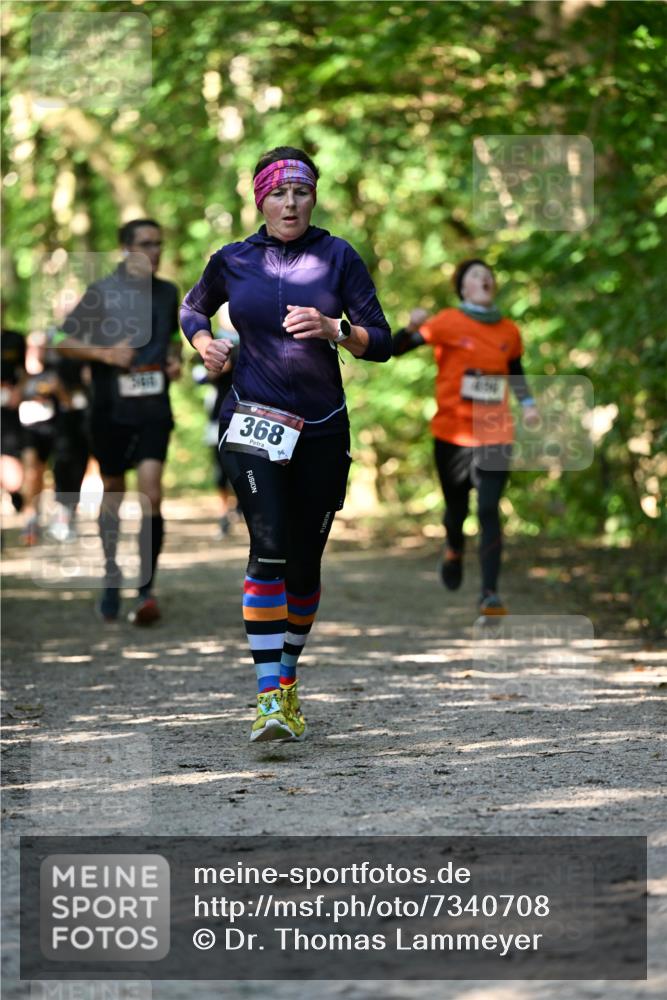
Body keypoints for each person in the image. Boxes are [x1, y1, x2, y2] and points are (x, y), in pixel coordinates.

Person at [180, 146, 391, 743]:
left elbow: (384, 339)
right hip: (252, 420)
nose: (290, 203)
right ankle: (268, 697)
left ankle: (289, 677)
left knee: (303, 566)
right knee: (268, 548)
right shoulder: (232, 260)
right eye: (278, 192)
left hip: (322, 426)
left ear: (314, 197)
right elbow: (192, 309)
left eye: (301, 191)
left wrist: (337, 330)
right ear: (260, 199)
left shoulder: (338, 256)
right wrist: (204, 345)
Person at [392, 259, 538, 617]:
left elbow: (515, 371)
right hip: (452, 434)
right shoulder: (446, 322)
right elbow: (398, 348)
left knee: (488, 510)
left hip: (496, 432)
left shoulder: (509, 330)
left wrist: (529, 404)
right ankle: (454, 547)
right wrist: (410, 326)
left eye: (487, 275)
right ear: (463, 288)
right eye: (475, 275)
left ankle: (490, 593)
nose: (484, 278)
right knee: (456, 511)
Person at [54, 219, 182, 624]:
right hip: (109, 409)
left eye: (159, 243)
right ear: (125, 249)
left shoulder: (167, 292)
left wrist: (175, 360)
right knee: (113, 489)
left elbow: (172, 339)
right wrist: (108, 355)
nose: (155, 251)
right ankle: (111, 575)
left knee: (152, 493)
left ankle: (146, 589)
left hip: (154, 409)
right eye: (146, 244)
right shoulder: (102, 292)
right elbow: (66, 343)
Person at [192, 328, 241, 538]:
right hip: (218, 418)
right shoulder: (209, 344)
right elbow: (201, 376)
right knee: (221, 472)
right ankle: (224, 515)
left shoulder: (251, 342)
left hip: (246, 418)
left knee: (244, 469)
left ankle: (243, 510)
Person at [1, 325, 26, 520]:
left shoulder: (15, 339)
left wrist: (18, 391)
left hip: (9, 415)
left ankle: (15, 496)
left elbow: (24, 373)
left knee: (13, 478)